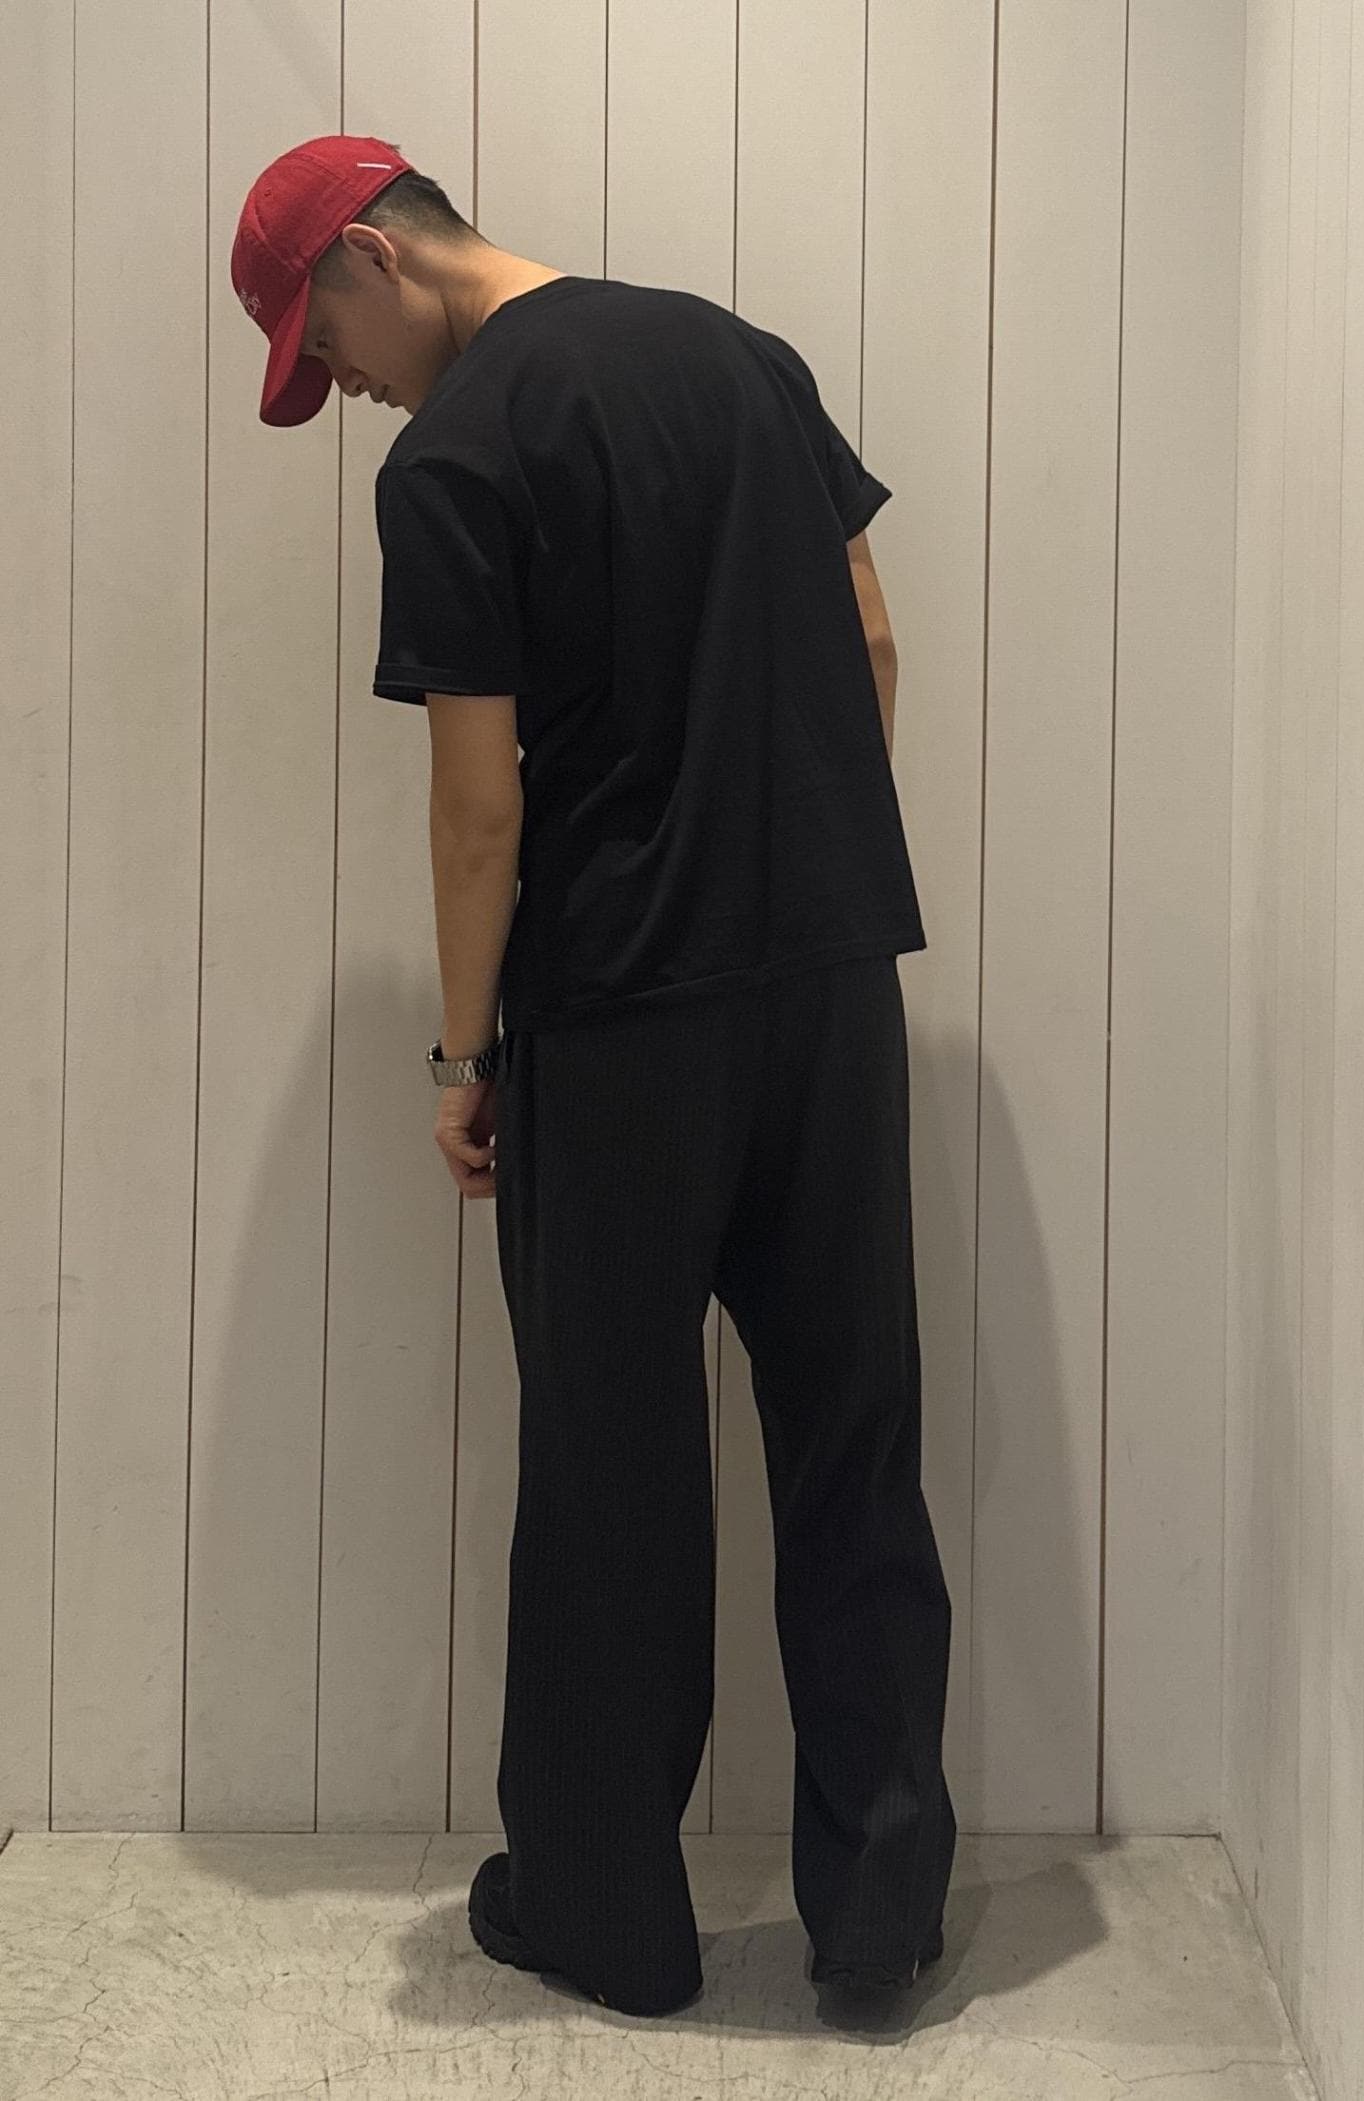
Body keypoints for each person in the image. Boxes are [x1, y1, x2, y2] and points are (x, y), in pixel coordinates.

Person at [231, 132, 957, 2019]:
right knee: (854, 1438)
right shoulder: (740, 356)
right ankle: (881, 1920)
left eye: (327, 347)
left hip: (622, 1017)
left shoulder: (456, 459)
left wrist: (463, 1053)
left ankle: (607, 1914)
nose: (347, 391)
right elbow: (873, 634)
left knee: (608, 1468)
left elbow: (481, 810)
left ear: (375, 256)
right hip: (827, 987)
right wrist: (792, 861)